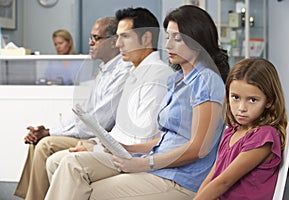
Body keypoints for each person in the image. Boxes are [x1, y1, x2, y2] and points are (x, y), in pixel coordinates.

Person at [44, 5, 229, 200]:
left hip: (180, 179)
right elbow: (168, 139)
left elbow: (198, 148)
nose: (168, 46)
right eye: (168, 38)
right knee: (71, 166)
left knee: (88, 191)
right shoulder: (177, 80)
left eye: (178, 39)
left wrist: (145, 163)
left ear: (197, 40)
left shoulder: (206, 80)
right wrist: (128, 148)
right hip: (157, 167)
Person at [45, 6, 174, 182]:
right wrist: (95, 144)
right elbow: (121, 130)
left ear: (146, 38)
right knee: (54, 162)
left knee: (69, 163)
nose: (119, 43)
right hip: (118, 150)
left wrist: (95, 149)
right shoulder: (135, 72)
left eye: (125, 36)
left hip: (133, 159)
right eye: (118, 37)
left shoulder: (157, 75)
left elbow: (141, 138)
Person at [14, 17, 132, 200]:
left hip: (99, 139)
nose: (90, 43)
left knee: (45, 144)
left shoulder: (122, 72)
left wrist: (50, 133)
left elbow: (97, 122)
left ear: (112, 42)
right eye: (90, 38)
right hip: (89, 133)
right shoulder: (104, 70)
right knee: (37, 140)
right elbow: (81, 113)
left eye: (96, 38)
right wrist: (46, 129)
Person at [194, 58, 287, 200]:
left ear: (269, 101)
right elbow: (213, 176)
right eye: (235, 97)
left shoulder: (264, 136)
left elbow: (223, 182)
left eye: (252, 100)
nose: (241, 108)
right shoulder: (231, 131)